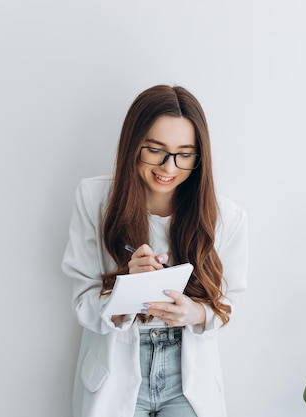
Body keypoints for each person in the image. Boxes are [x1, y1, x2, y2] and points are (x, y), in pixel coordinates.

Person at [61, 85, 248, 417]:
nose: (168, 166)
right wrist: (127, 291)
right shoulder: (94, 200)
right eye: (155, 150)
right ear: (134, 145)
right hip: (115, 367)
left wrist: (194, 312)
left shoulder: (226, 217)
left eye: (184, 153)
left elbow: (228, 303)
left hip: (187, 375)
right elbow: (82, 303)